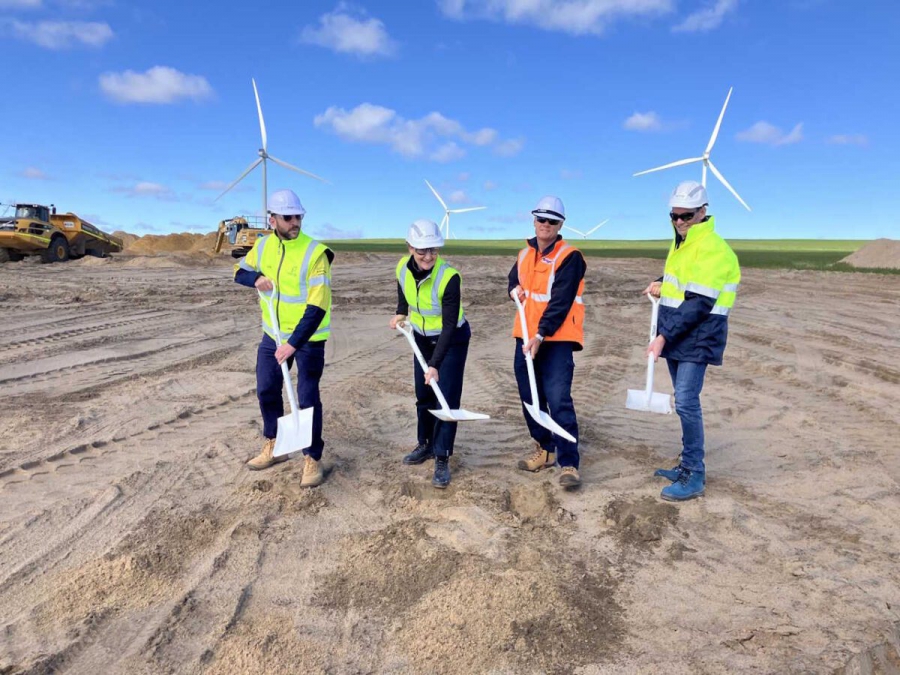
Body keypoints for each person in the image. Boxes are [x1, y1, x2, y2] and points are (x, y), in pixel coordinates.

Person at [644, 180, 740, 501]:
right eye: (674, 216)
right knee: (683, 401)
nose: (680, 222)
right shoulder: (682, 243)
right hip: (678, 333)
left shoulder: (714, 248)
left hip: (698, 335)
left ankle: (695, 473)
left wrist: (661, 338)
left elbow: (699, 303)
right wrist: (660, 282)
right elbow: (682, 282)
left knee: (686, 401)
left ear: (703, 212)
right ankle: (686, 465)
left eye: (686, 216)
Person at [233, 189, 334, 487]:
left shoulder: (316, 253)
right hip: (272, 333)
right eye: (288, 217)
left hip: (309, 338)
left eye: (298, 216)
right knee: (266, 388)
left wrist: (293, 344)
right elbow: (239, 272)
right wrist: (256, 279)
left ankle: (312, 458)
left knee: (306, 397)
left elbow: (317, 306)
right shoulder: (263, 247)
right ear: (273, 219)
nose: (295, 222)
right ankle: (275, 445)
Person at [509, 196, 586, 489]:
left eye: (552, 221)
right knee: (530, 398)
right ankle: (545, 449)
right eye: (541, 219)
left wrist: (541, 335)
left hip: (556, 339)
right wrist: (512, 289)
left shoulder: (570, 257)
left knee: (558, 399)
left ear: (561, 225)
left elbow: (561, 301)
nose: (546, 225)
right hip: (526, 336)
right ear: (534, 220)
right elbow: (513, 282)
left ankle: (569, 462)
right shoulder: (524, 253)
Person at [390, 219, 471, 489]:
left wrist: (435, 364)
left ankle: (442, 456)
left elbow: (449, 326)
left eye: (433, 250)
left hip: (452, 340)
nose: (428, 256)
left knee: (444, 400)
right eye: (422, 250)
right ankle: (424, 444)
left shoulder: (449, 277)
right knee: (423, 395)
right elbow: (403, 290)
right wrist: (402, 312)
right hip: (421, 338)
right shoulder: (402, 267)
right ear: (410, 247)